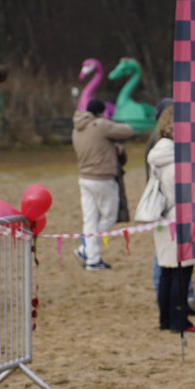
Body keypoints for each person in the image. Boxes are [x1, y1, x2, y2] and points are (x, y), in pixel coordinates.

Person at [147, 106, 195, 332]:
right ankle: (179, 321)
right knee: (180, 273)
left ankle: (166, 320)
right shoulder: (177, 157)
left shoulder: (159, 153)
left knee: (168, 272)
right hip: (178, 219)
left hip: (164, 220)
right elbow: (187, 192)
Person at [72, 99, 133, 269]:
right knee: (109, 217)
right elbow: (128, 131)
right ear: (101, 113)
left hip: (84, 178)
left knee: (90, 220)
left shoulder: (77, 127)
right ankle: (88, 252)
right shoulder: (100, 125)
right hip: (103, 178)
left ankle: (90, 256)